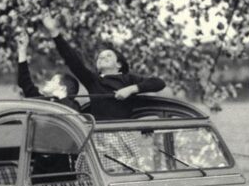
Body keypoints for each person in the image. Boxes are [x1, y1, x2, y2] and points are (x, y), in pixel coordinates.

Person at [38, 13, 166, 120]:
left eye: (108, 56)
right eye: (100, 57)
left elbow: (159, 83)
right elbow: (72, 60)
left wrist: (131, 89)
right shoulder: (93, 81)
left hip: (124, 132)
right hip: (101, 133)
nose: (102, 58)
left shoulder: (129, 79)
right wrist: (54, 32)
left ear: (119, 64)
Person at [16, 31, 81, 111]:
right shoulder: (43, 102)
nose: (47, 82)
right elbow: (24, 82)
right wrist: (22, 50)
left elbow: (71, 114)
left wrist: (62, 97)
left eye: (53, 80)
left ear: (62, 88)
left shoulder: (73, 107)